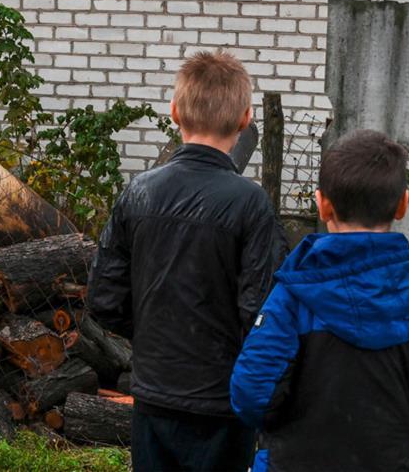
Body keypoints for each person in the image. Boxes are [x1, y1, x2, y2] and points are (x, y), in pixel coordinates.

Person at [87, 50, 288, 471]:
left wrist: (156, 330)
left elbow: (104, 299)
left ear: (174, 112)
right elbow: (260, 311)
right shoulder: (251, 203)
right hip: (223, 399)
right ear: (245, 118)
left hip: (155, 393)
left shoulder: (139, 193)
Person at [230, 129, 409, 472]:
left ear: (322, 203)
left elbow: (251, 395)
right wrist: (387, 410)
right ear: (403, 203)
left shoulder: (294, 294)